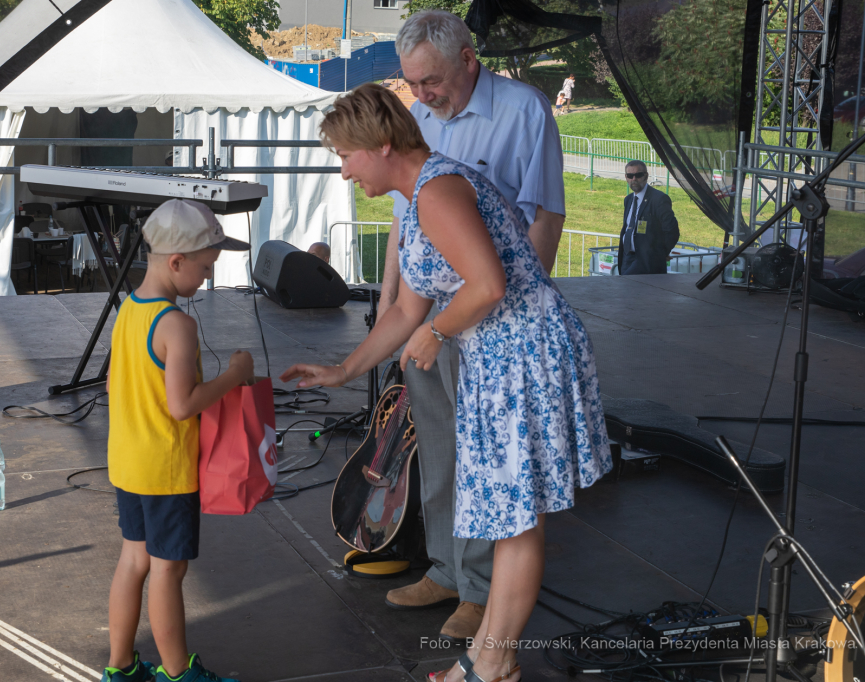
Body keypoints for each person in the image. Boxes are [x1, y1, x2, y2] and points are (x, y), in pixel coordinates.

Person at [281, 84, 611, 682]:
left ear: (382, 145)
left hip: (522, 353)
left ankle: (495, 662)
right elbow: (407, 311)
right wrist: (344, 370)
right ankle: (488, 657)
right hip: (498, 356)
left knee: (515, 517)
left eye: (346, 154)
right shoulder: (417, 197)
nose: (344, 168)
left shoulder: (438, 191)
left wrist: (438, 332)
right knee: (508, 515)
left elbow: (487, 286)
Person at [378, 9, 566, 642]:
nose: (423, 95)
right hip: (431, 308)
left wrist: (515, 314)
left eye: (430, 80)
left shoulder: (523, 109)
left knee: (487, 458)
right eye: (413, 84)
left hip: (492, 314)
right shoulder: (418, 118)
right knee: (438, 442)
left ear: (467, 58)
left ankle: (483, 594)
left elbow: (545, 215)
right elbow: (405, 222)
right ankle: (448, 569)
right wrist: (389, 306)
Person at [103, 198, 254, 682]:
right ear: (176, 262)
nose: (207, 278)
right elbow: (183, 405)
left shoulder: (128, 310)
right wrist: (235, 374)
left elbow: (114, 387)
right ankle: (177, 674)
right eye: (206, 267)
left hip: (127, 463)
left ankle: (121, 666)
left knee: (133, 561)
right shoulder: (178, 325)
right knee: (169, 570)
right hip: (166, 470)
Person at [617, 160, 679, 275]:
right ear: (626, 177)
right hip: (627, 258)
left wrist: (661, 254)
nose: (634, 179)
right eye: (630, 176)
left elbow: (672, 230)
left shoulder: (659, 199)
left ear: (646, 176)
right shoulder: (628, 199)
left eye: (638, 175)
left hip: (647, 261)